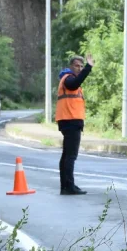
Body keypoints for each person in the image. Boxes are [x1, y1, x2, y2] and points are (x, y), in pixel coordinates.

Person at [56, 54, 94, 195]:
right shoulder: (68, 79)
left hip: (69, 121)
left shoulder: (68, 79)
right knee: (70, 156)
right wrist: (88, 68)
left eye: (81, 66)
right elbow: (75, 83)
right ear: (70, 67)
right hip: (70, 121)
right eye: (77, 66)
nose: (79, 68)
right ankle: (68, 186)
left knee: (67, 155)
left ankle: (66, 186)